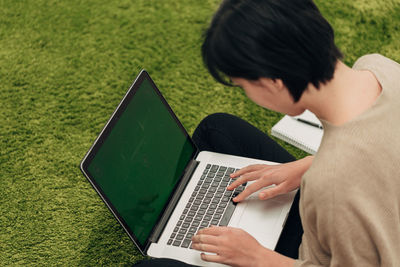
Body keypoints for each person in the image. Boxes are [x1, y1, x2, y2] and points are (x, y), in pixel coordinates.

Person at [135, 0, 400, 266]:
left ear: (273, 82)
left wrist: (258, 257)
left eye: (243, 86)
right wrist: (310, 164)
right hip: (355, 210)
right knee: (217, 129)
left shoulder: (329, 186)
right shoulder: (381, 68)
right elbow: (379, 143)